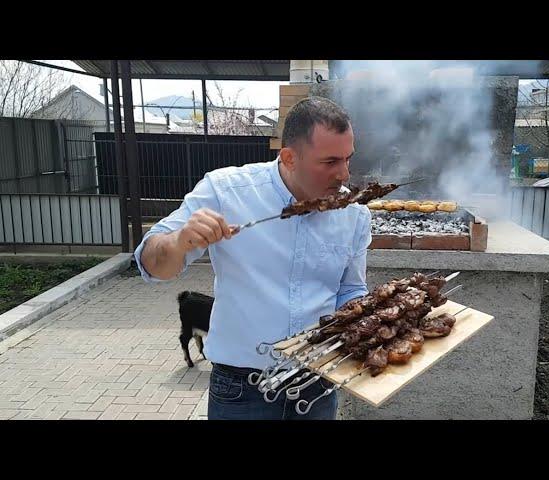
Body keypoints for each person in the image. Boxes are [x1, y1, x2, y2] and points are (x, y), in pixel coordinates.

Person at [134, 96, 372, 419]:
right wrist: (178, 241)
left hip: (317, 389)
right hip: (242, 393)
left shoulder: (354, 213)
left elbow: (350, 290)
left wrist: (372, 322)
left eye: (348, 159)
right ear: (289, 158)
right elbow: (150, 264)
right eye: (330, 162)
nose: (344, 175)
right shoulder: (226, 191)